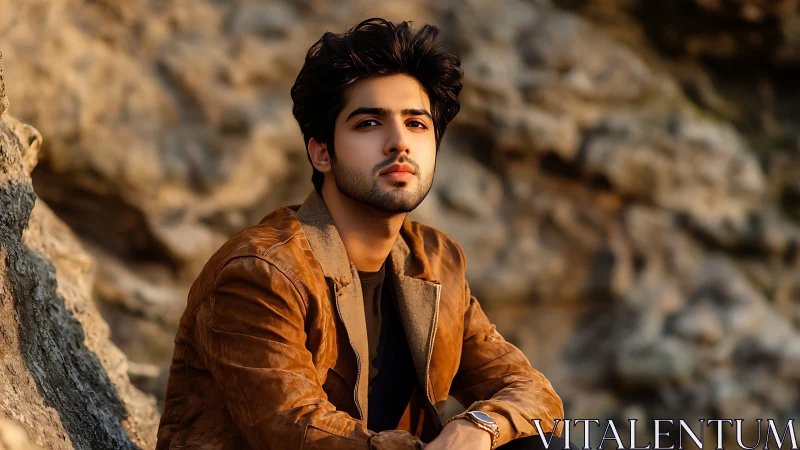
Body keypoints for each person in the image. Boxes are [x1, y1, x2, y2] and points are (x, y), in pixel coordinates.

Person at [156, 18, 573, 450]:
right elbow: (293, 427)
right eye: (369, 123)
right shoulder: (262, 271)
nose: (399, 143)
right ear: (321, 152)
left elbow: (531, 390)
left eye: (416, 124)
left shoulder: (435, 259)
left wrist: (478, 426)